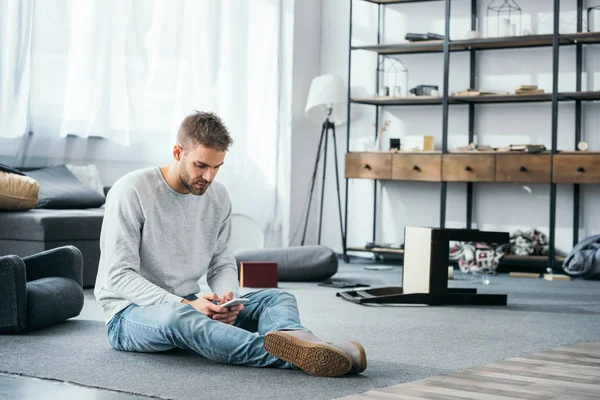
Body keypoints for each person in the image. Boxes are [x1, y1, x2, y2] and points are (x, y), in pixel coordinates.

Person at [94, 111, 367, 377]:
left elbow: (221, 262)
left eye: (217, 167)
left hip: (190, 302)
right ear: (178, 153)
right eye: (201, 165)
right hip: (129, 314)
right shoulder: (131, 191)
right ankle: (302, 355)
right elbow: (118, 276)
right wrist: (185, 305)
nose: (209, 177)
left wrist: (229, 299)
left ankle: (300, 343)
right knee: (179, 319)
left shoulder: (218, 196)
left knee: (277, 297)